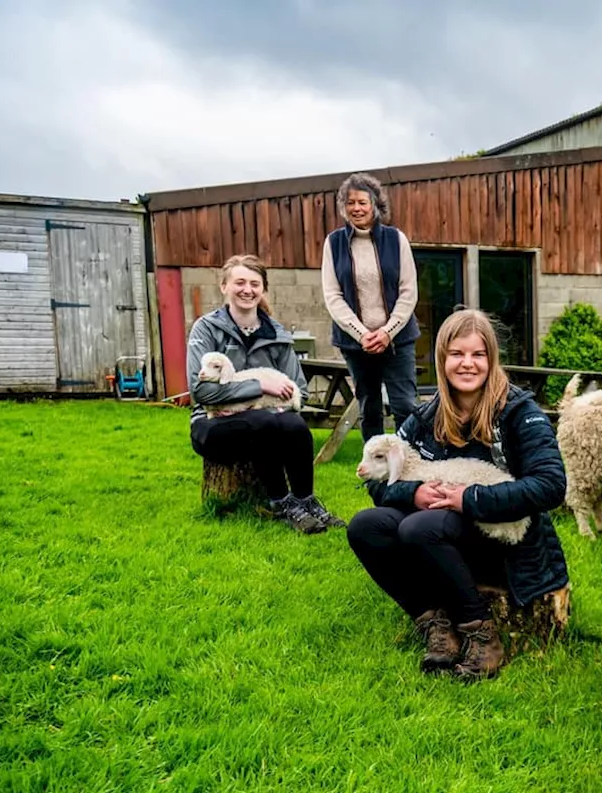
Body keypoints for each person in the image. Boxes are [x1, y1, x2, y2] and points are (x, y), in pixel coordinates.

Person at [346, 309, 569, 680]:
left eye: (478, 355)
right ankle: (435, 622)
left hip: (505, 540)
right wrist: (414, 491)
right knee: (366, 526)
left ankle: (479, 629)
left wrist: (469, 498)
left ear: (491, 359)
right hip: (441, 534)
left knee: (420, 527)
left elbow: (550, 485)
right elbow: (376, 480)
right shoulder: (426, 415)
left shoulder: (518, 412)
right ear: (442, 360)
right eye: (457, 354)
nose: (467, 364)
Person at [187, 254, 344, 534]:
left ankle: (306, 501)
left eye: (254, 283)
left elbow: (301, 392)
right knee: (265, 423)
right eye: (240, 282)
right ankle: (282, 503)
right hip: (212, 426)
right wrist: (259, 388)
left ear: (263, 289)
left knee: (293, 423)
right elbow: (200, 390)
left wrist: (268, 402)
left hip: (265, 421)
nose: (247, 289)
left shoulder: (277, 335)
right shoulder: (206, 329)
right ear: (224, 286)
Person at [321, 171, 421, 443]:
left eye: (362, 202)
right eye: (350, 202)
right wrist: (362, 334)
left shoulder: (396, 239)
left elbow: (409, 291)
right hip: (356, 344)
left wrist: (388, 331)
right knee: (370, 409)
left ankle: (409, 468)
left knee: (405, 406)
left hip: (398, 340)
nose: (357, 208)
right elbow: (333, 295)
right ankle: (375, 476)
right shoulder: (334, 243)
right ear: (343, 207)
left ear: (375, 205)